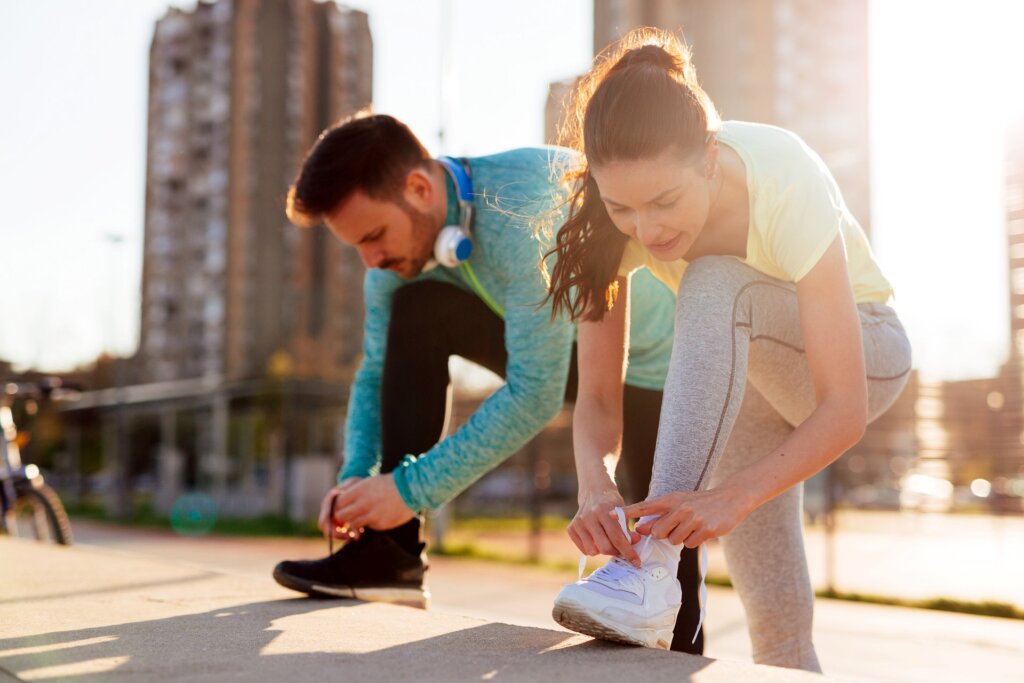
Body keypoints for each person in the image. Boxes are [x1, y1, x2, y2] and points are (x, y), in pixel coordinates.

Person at [272, 112, 708, 654]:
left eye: (375, 236)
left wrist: (408, 490)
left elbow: (534, 396)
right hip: (569, 351)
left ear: (419, 188)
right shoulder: (391, 261)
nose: (371, 260)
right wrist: (358, 483)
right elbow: (375, 368)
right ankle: (388, 553)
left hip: (658, 374)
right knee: (416, 307)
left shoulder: (523, 209)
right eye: (357, 247)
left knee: (665, 585)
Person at [544, 29, 912, 670]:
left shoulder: (782, 175)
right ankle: (657, 574)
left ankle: (652, 571)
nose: (648, 229)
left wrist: (732, 495)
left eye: (665, 201)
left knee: (714, 278)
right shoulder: (606, 225)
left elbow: (843, 405)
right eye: (621, 207)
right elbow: (599, 398)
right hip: (753, 389)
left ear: (709, 158)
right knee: (778, 633)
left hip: (868, 353)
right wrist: (595, 487)